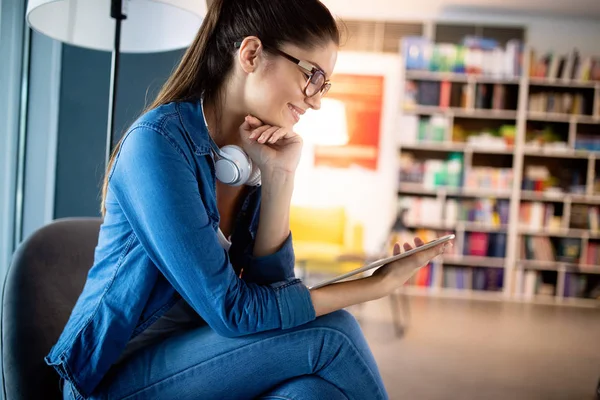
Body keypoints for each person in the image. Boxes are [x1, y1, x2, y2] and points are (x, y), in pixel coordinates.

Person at [45, 0, 452, 399]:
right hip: (113, 378)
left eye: (323, 85)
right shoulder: (156, 146)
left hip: (203, 358)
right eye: (312, 76)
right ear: (252, 53)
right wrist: (373, 286)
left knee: (309, 392)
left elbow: (272, 294)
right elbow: (236, 313)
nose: (316, 100)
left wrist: (279, 179)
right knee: (334, 332)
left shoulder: (246, 157)